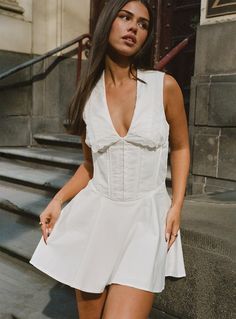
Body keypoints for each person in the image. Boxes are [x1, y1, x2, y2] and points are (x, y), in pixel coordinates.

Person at [29, 0, 190, 318]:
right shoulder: (87, 97)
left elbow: (181, 147)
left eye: (143, 24)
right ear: (107, 24)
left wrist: (177, 205)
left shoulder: (164, 87)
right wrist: (58, 201)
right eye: (125, 17)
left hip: (146, 220)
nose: (134, 27)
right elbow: (90, 165)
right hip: (96, 221)